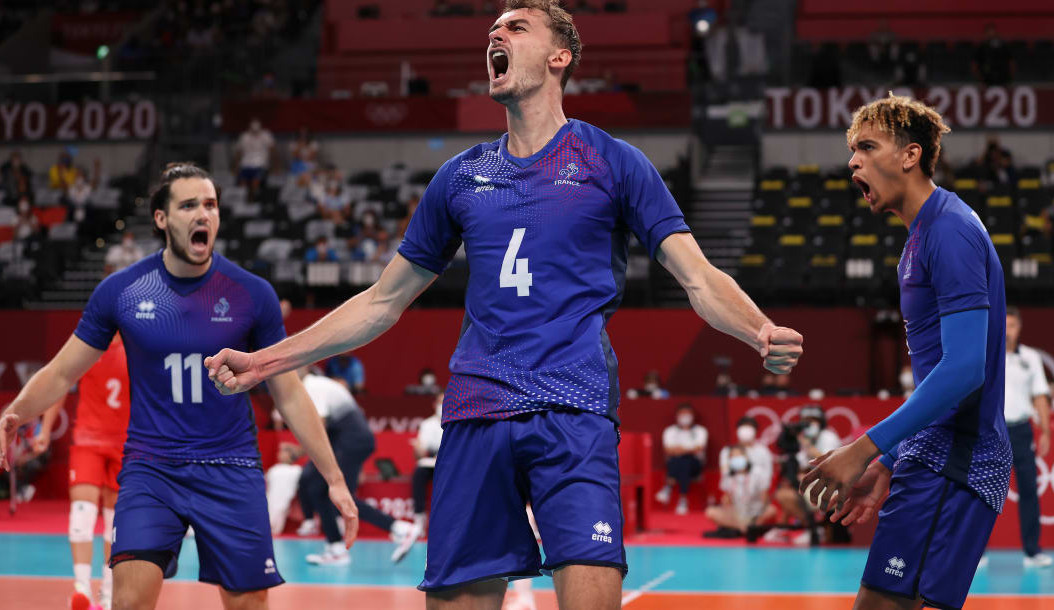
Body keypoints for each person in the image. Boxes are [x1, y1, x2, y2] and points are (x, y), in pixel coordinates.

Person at [204, 3, 803, 607]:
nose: (496, 34)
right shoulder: (460, 178)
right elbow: (382, 301)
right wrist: (266, 361)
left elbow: (697, 277)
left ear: (559, 56)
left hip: (574, 409)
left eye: (516, 27)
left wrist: (758, 329)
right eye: (493, 29)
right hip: (476, 411)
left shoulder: (612, 161)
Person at [0, 162, 359, 610]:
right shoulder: (122, 292)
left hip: (231, 467)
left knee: (249, 604)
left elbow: (288, 392)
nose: (203, 214)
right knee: (128, 602)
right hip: (152, 468)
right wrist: (15, 411)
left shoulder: (252, 294)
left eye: (210, 204)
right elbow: (61, 372)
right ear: (161, 219)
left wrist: (335, 479)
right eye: (188, 205)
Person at [803, 94, 1009, 610]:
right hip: (931, 455)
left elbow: (965, 370)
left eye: (867, 147)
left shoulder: (950, 231)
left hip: (957, 461)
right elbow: (940, 376)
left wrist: (864, 449)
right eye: (852, 150)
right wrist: (892, 460)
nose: (853, 160)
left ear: (910, 155)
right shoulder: (920, 239)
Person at [34, 334, 129, 610]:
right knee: (81, 514)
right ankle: (82, 591)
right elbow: (59, 384)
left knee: (116, 524)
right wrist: (45, 430)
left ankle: (109, 595)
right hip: (88, 440)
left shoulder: (135, 343)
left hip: (124, 443)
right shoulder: (88, 343)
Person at [297, 370, 421, 565]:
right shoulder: (313, 387)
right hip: (349, 441)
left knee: (330, 492)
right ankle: (337, 548)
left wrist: (299, 452)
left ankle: (400, 529)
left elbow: (318, 427)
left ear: (303, 368)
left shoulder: (313, 386)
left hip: (350, 441)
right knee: (317, 488)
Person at [1001, 307, 1053, 568]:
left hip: (1021, 430)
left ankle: (1032, 552)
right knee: (979, 494)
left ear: (1019, 328)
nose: (1008, 330)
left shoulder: (1031, 358)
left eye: (1012, 326)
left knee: (1030, 490)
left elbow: (1040, 395)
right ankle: (975, 554)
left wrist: (1045, 429)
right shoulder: (987, 355)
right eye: (1004, 325)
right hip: (992, 432)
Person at [705, 444, 776, 537]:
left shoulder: (758, 472)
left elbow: (764, 498)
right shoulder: (728, 476)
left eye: (738, 456)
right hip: (738, 513)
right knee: (710, 512)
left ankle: (751, 527)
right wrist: (726, 502)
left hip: (756, 512)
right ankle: (745, 528)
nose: (736, 459)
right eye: (732, 457)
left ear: (746, 457)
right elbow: (727, 500)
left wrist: (759, 512)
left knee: (771, 510)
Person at [656, 403, 708, 515]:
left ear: (693, 416)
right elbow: (668, 450)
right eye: (682, 414)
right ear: (677, 416)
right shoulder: (670, 431)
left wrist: (680, 450)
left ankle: (667, 488)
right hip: (674, 462)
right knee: (683, 462)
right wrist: (689, 449)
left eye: (687, 414)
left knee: (686, 460)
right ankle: (683, 500)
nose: (685, 417)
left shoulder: (700, 431)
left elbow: (699, 448)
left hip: (696, 465)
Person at [410, 393, 444, 534]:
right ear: (435, 404)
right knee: (419, 473)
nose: (442, 406)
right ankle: (419, 518)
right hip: (431, 462)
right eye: (440, 402)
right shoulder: (427, 424)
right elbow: (420, 453)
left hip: (450, 461)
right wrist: (418, 449)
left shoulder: (457, 423)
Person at [234, 119, 274, 200]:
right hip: (246, 164)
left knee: (255, 183)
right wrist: (236, 165)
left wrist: (274, 165)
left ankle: (254, 199)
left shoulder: (266, 135)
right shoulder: (244, 136)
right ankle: (244, 200)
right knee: (242, 183)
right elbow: (238, 152)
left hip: (260, 165)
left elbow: (272, 150)